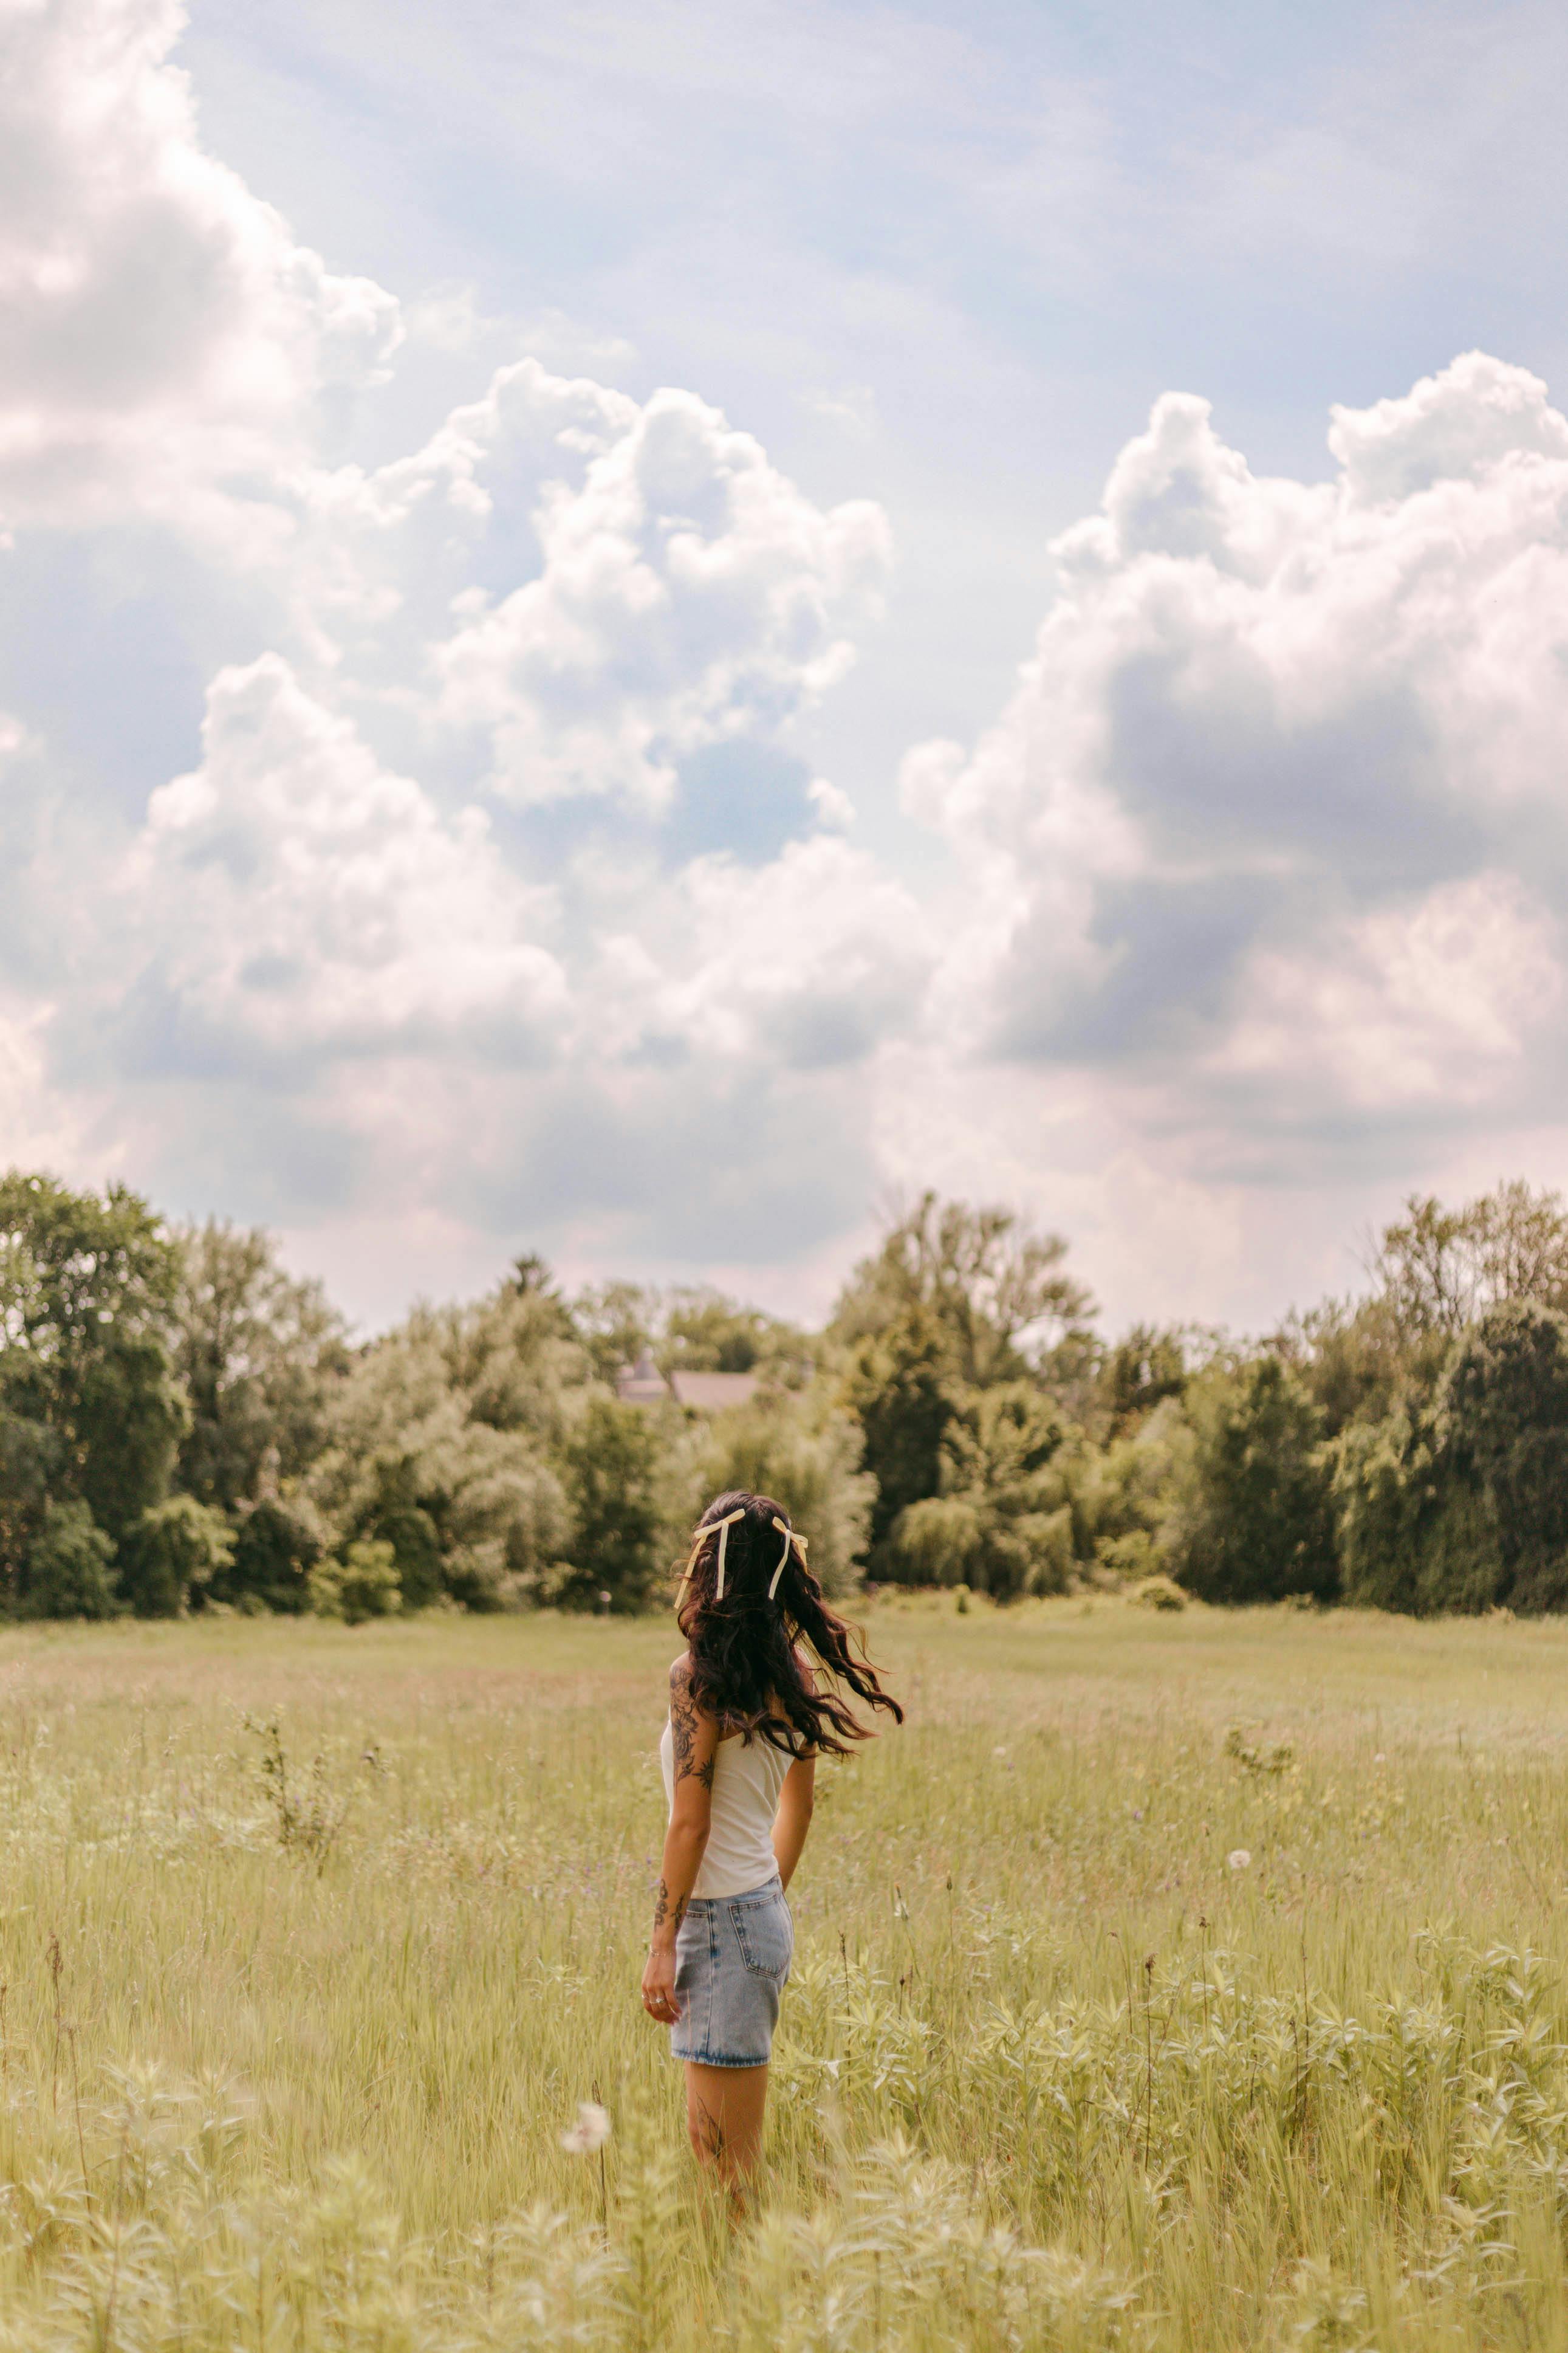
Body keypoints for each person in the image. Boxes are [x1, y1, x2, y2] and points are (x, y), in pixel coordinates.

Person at [641, 1489, 903, 2193]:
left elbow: (689, 1821)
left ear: (712, 1566)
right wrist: (765, 1902)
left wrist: (663, 1943)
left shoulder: (695, 1675)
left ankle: (742, 2290)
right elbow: (800, 1810)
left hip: (723, 1924)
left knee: (725, 2164)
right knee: (720, 2155)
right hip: (752, 1912)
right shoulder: (792, 1675)